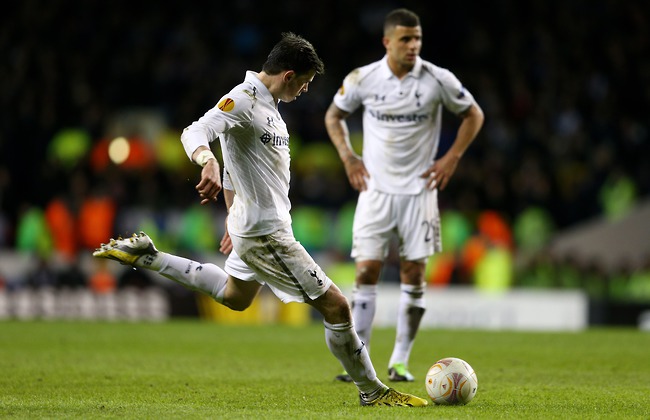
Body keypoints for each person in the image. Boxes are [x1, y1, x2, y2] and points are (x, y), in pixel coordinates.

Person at [93, 32, 427, 407]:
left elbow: (239, 165)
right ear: (288, 75)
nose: (304, 91)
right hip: (266, 232)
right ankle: (373, 391)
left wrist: (232, 210)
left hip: (251, 225)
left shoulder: (269, 108)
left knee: (234, 297)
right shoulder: (244, 101)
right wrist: (208, 161)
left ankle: (149, 257)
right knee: (337, 306)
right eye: (304, 83)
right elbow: (195, 131)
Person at [324, 9, 484, 382]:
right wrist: (348, 157)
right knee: (366, 271)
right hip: (375, 189)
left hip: (419, 191)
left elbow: (473, 114)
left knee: (414, 274)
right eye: (405, 40)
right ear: (387, 42)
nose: (413, 46)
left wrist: (452, 157)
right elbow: (334, 116)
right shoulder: (363, 78)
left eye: (418, 39)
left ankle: (399, 362)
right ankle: (358, 362)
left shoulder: (436, 79)